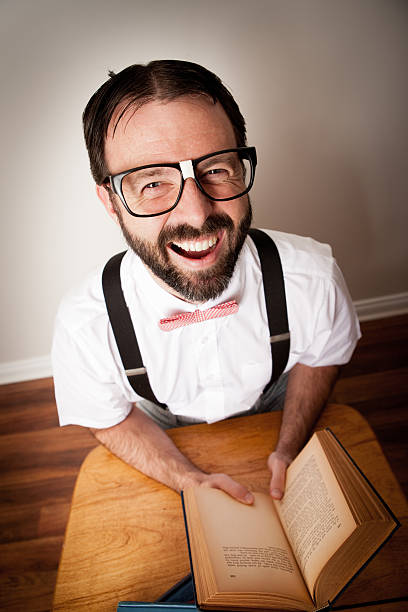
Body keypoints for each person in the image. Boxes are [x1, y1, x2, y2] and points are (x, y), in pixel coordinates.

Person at [52, 59, 361, 504]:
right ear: (111, 201)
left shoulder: (312, 276)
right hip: (162, 430)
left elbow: (322, 356)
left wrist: (289, 446)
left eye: (215, 169)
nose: (197, 215)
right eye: (153, 183)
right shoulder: (84, 324)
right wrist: (186, 479)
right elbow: (109, 417)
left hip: (275, 412)